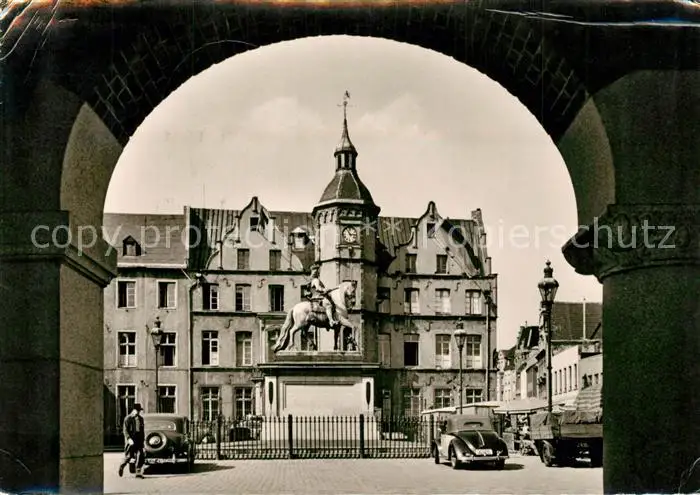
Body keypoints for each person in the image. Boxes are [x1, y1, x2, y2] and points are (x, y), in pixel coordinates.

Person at [118, 403, 145, 479]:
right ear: (133, 410)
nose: (138, 412)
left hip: (138, 439)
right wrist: (128, 438)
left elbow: (142, 430)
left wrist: (143, 440)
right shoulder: (128, 418)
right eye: (137, 410)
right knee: (129, 456)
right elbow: (125, 430)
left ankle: (138, 472)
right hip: (131, 439)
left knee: (140, 455)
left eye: (139, 411)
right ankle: (122, 465)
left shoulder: (141, 419)